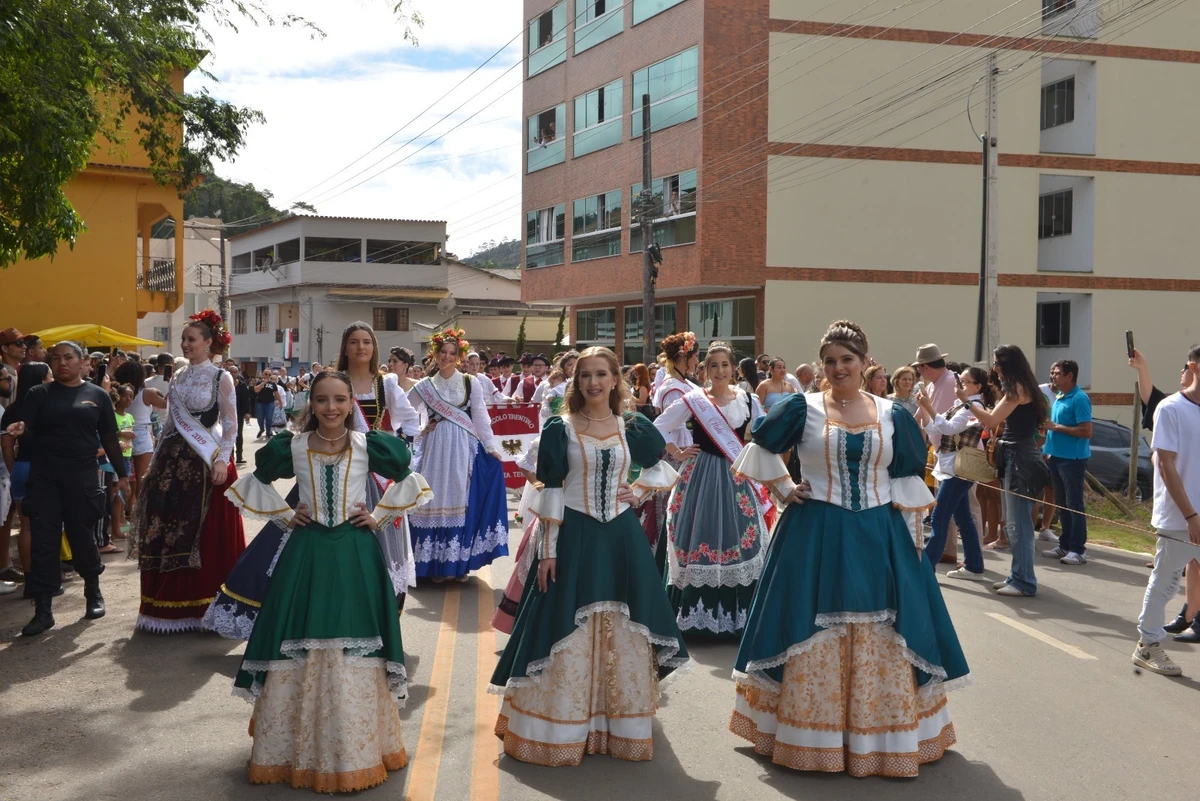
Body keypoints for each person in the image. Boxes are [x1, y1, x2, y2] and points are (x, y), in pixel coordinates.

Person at [728, 320, 968, 777]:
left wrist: (914, 541)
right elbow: (759, 447)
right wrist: (784, 487)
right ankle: (812, 738)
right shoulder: (803, 407)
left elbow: (906, 477)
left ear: (865, 363)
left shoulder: (891, 413)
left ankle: (879, 737)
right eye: (830, 361)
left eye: (847, 360)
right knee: (807, 622)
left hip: (880, 533)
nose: (838, 368)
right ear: (822, 365)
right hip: (814, 529)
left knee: (889, 625)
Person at [227, 370, 431, 791]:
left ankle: (355, 747)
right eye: (322, 400)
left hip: (355, 553)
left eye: (340, 400)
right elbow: (254, 482)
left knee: (353, 634)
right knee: (300, 632)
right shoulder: (294, 445)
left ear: (349, 404)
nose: (332, 408)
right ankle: (289, 750)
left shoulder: (367, 444)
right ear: (310, 403)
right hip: (307, 554)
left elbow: (410, 481)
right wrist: (286, 516)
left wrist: (378, 516)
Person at [489, 346, 689, 765]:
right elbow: (553, 490)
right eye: (585, 376)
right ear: (576, 383)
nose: (594, 383)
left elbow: (659, 467)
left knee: (625, 624)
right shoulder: (560, 428)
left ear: (616, 379)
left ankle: (617, 725)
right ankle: (561, 727)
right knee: (565, 621)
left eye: (601, 374)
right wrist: (547, 552)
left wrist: (635, 492)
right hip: (574, 532)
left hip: (620, 537)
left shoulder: (632, 425)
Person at [129, 310, 247, 633]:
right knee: (166, 528)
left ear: (209, 344)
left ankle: (204, 605)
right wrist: (153, 465)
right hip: (173, 458)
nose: (185, 344)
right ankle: (166, 606)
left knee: (203, 532)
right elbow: (169, 423)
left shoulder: (221, 377)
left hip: (204, 459)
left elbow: (231, 424)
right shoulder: (178, 377)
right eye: (183, 340)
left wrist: (222, 459)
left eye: (191, 340)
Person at [654, 342, 771, 637]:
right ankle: (695, 614)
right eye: (713, 365)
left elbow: (765, 433)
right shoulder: (694, 399)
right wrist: (677, 452)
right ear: (705, 369)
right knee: (700, 532)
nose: (719, 370)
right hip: (701, 475)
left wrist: (756, 457)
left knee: (739, 535)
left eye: (724, 365)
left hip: (737, 474)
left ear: (733, 369)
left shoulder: (747, 399)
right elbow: (658, 426)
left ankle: (738, 616)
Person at [19, 342, 130, 636]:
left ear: (83, 362)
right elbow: (28, 432)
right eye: (55, 359)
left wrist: (122, 474)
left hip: (81, 476)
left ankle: (93, 593)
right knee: (44, 541)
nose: (61, 363)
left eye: (68, 358)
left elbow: (108, 436)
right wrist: (22, 431)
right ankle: (43, 611)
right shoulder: (37, 394)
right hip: (44, 477)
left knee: (82, 536)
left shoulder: (96, 395)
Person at [407, 327, 509, 581]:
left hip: (463, 447)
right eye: (443, 352)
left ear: (459, 357)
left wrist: (491, 447)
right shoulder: (424, 386)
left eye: (452, 353)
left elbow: (481, 417)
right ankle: (432, 566)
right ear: (435, 354)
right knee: (433, 499)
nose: (447, 357)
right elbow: (404, 415)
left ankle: (455, 564)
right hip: (434, 448)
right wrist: (420, 430)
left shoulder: (470, 382)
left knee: (460, 499)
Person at [1131, 343, 1200, 677]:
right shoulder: (1171, 409)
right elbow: (1167, 467)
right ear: (1194, 366)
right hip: (1180, 516)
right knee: (1167, 580)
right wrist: (1191, 516)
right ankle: (1148, 644)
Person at [959, 345, 1049, 597]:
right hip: (1015, 453)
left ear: (1008, 365)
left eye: (998, 364)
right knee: (1012, 522)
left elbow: (990, 420)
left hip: (1019, 456)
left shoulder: (1017, 389)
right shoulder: (1022, 386)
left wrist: (967, 402)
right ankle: (1017, 576)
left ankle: (1024, 581)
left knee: (1018, 524)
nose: (995, 369)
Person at [918, 366, 994, 580]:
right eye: (959, 381)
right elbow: (936, 429)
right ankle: (974, 565)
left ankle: (927, 567)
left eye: (964, 382)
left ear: (977, 386)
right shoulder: (960, 405)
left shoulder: (973, 406)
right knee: (963, 517)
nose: (958, 386)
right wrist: (926, 408)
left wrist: (929, 408)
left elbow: (950, 428)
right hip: (950, 467)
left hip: (959, 469)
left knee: (940, 517)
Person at [0, 361, 51, 588]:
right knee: (47, 524)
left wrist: (14, 470)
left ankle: (31, 579)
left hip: (21, 468)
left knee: (26, 527)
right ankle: (47, 577)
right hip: (45, 470)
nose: (52, 379)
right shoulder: (48, 405)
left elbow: (7, 447)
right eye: (49, 375)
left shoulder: (12, 410)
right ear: (41, 379)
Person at [1041, 360, 1092, 566]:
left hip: (1073, 460)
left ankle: (1078, 549)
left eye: (1057, 373)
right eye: (1052, 372)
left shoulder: (1079, 398)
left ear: (1069, 376)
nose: (1052, 376)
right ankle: (1065, 545)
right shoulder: (1060, 396)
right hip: (1056, 457)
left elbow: (1086, 431)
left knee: (1074, 504)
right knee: (1062, 504)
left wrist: (1056, 427)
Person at [113, 360, 162, 490]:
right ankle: (139, 507)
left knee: (125, 476)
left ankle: (126, 507)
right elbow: (167, 404)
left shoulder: (117, 392)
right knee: (142, 476)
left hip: (122, 433)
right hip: (142, 433)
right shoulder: (147, 393)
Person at [226, 363, 252, 465]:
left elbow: (246, 400)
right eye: (230, 372)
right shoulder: (224, 384)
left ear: (238, 373)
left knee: (238, 435)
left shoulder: (242, 385)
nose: (233, 374)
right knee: (228, 435)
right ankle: (230, 455)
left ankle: (239, 456)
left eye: (235, 372)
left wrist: (247, 412)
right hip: (227, 414)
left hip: (239, 413)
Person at [252, 369, 279, 439]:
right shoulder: (259, 382)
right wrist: (263, 383)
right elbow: (255, 390)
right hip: (260, 403)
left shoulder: (273, 384)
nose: (267, 376)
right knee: (260, 418)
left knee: (269, 418)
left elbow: (276, 393)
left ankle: (268, 432)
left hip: (270, 403)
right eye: (266, 374)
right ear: (263, 375)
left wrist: (281, 402)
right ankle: (261, 429)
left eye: (269, 375)